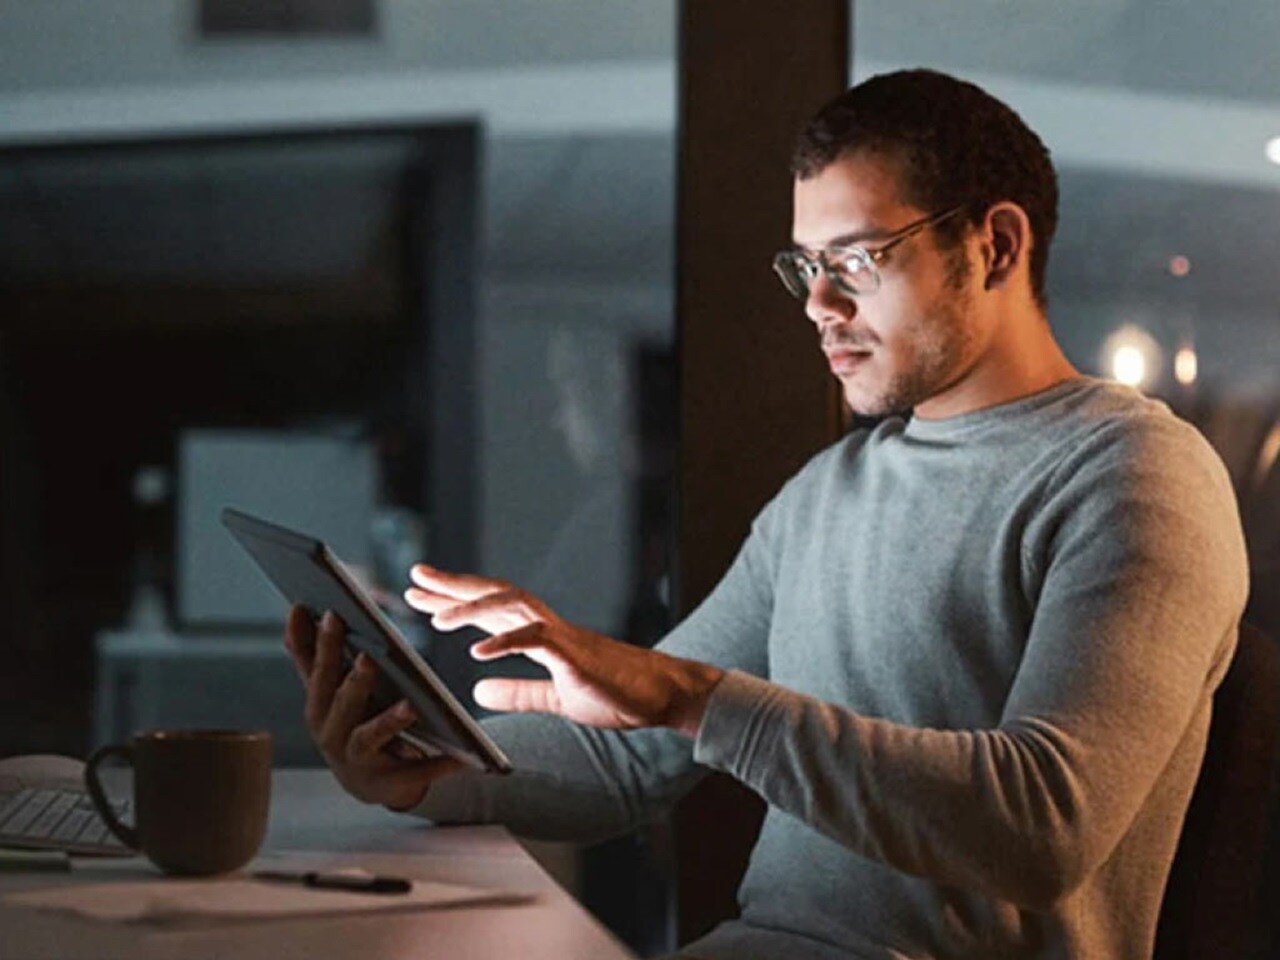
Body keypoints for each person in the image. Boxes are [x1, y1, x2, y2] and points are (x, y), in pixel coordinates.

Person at [284, 69, 1248, 959]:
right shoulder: (829, 490)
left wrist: (693, 697)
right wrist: (422, 768)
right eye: (804, 268)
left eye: (858, 260)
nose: (818, 304)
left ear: (994, 244)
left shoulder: (1136, 475)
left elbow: (1043, 827)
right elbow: (632, 764)